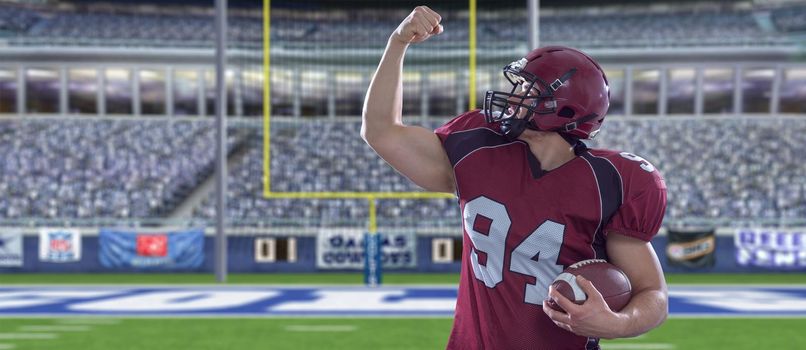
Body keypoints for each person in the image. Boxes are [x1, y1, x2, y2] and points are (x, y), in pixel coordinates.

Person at [361, 6, 668, 350]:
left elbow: (652, 293)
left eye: (527, 88)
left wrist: (618, 322)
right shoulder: (478, 147)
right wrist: (398, 42)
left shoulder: (612, 182)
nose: (514, 95)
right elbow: (381, 131)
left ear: (565, 107)